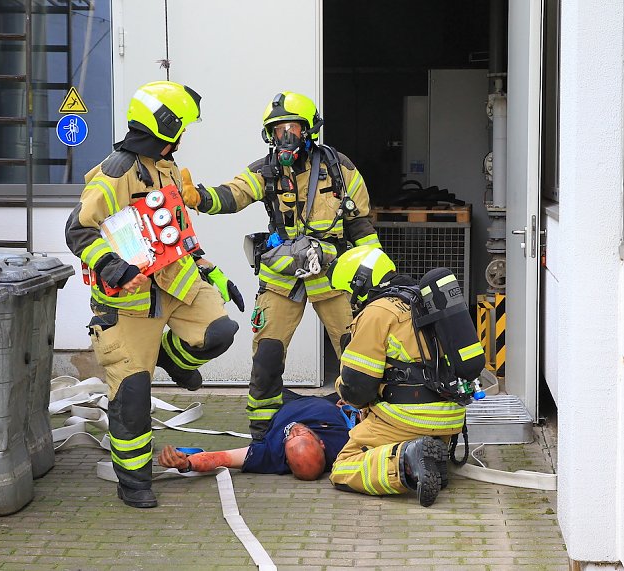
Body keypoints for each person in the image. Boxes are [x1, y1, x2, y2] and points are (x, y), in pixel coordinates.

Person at [65, 81, 240, 509]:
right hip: (129, 307)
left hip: (176, 286)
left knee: (219, 332)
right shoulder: (116, 172)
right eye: (180, 127)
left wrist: (212, 272)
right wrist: (116, 268)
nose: (183, 136)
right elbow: (79, 229)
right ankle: (134, 480)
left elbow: (176, 231)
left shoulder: (165, 167)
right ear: (165, 127)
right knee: (132, 398)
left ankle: (172, 360)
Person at [180, 91, 381, 439]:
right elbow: (233, 194)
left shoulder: (339, 169)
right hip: (282, 275)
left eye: (291, 127)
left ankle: (368, 423)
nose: (284, 135)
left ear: (309, 130)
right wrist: (199, 197)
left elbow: (360, 225)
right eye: (277, 129)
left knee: (355, 352)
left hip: (331, 273)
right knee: (267, 354)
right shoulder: (266, 171)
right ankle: (263, 429)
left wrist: (376, 275)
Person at [325, 245, 485, 507]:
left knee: (343, 467)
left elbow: (358, 389)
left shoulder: (378, 312)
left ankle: (407, 460)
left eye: (348, 291)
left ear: (360, 282)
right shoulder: (423, 302)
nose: (349, 299)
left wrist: (342, 388)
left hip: (404, 419)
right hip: (449, 418)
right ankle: (432, 459)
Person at [157, 391, 354, 480]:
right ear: (322, 444)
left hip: (286, 402)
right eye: (302, 434)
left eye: (291, 437)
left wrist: (186, 464)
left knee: (265, 375)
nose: (295, 431)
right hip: (333, 400)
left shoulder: (270, 456)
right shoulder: (343, 446)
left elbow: (222, 458)